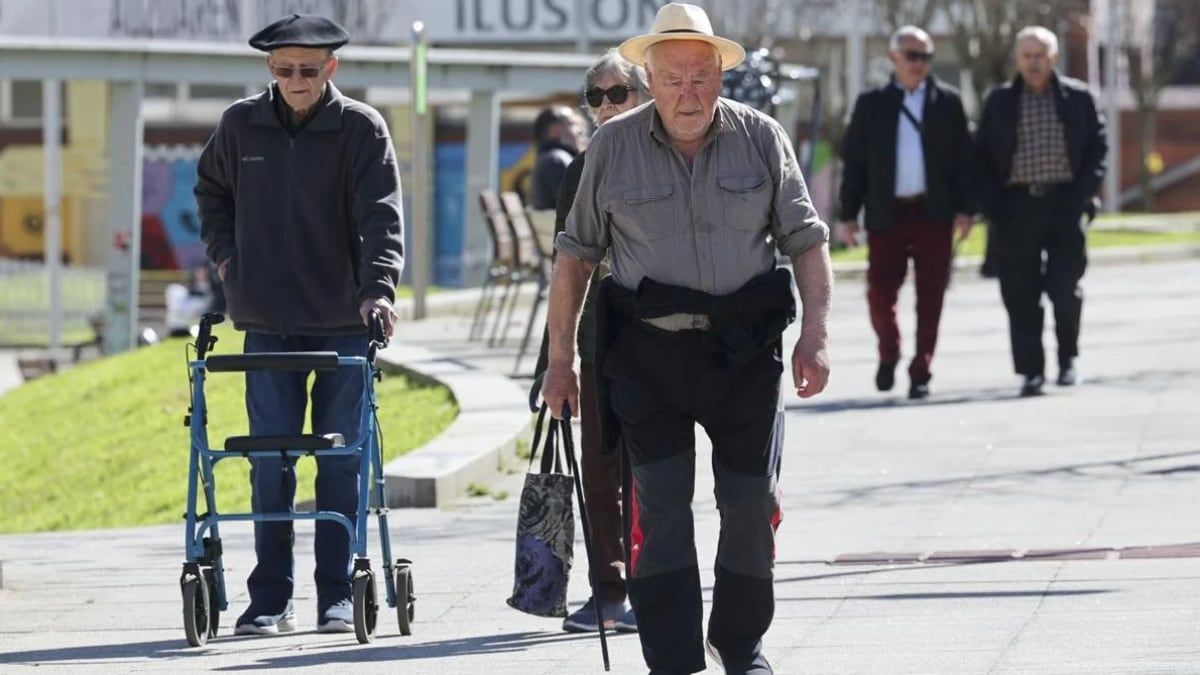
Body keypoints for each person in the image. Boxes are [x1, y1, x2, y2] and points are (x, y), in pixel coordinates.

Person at [543, 4, 832, 673]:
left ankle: (740, 642)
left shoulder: (762, 138)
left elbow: (808, 242)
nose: (688, 92)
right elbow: (575, 258)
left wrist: (815, 335)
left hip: (744, 351)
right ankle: (673, 657)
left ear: (720, 77)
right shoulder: (611, 148)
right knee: (663, 507)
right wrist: (561, 362)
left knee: (750, 501)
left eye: (701, 77)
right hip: (649, 356)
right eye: (673, 79)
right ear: (649, 80)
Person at [194, 13, 404, 635]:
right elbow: (211, 192)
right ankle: (270, 599)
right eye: (284, 70)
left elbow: (383, 216)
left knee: (339, 462)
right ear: (270, 68)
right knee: (270, 461)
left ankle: (336, 595)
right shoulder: (240, 124)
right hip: (266, 319)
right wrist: (226, 256)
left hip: (342, 321)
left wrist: (379, 290)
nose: (296, 80)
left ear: (330, 68)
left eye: (308, 70)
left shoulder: (361, 128)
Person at [531, 48, 649, 635]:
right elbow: (566, 272)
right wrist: (553, 363)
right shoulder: (580, 171)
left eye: (617, 93)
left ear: (645, 96)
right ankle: (609, 586)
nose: (605, 105)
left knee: (653, 469)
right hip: (598, 340)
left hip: (659, 342)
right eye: (595, 97)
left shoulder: (665, 160)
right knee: (600, 468)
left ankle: (653, 583)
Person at [837, 25, 975, 400]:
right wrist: (848, 214)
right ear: (893, 58)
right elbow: (855, 163)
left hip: (934, 213)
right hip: (888, 213)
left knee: (932, 296)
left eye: (926, 57)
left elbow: (965, 160)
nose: (919, 64)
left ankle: (921, 370)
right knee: (879, 293)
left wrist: (966, 209)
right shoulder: (872, 104)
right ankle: (889, 350)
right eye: (912, 56)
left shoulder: (948, 102)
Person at [976, 26, 1106, 397]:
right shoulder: (1000, 101)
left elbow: (1098, 149)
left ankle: (1068, 361)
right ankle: (1031, 371)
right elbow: (981, 157)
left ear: (1054, 58)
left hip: (1065, 203)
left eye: (1041, 55)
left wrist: (1082, 195)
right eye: (1027, 56)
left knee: (1065, 288)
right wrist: (993, 206)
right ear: (1018, 59)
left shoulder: (1078, 98)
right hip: (1015, 208)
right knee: (1020, 293)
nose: (1034, 63)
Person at [530, 105, 587, 209]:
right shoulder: (557, 160)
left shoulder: (552, 158)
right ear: (555, 130)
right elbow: (580, 204)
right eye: (572, 124)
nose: (580, 131)